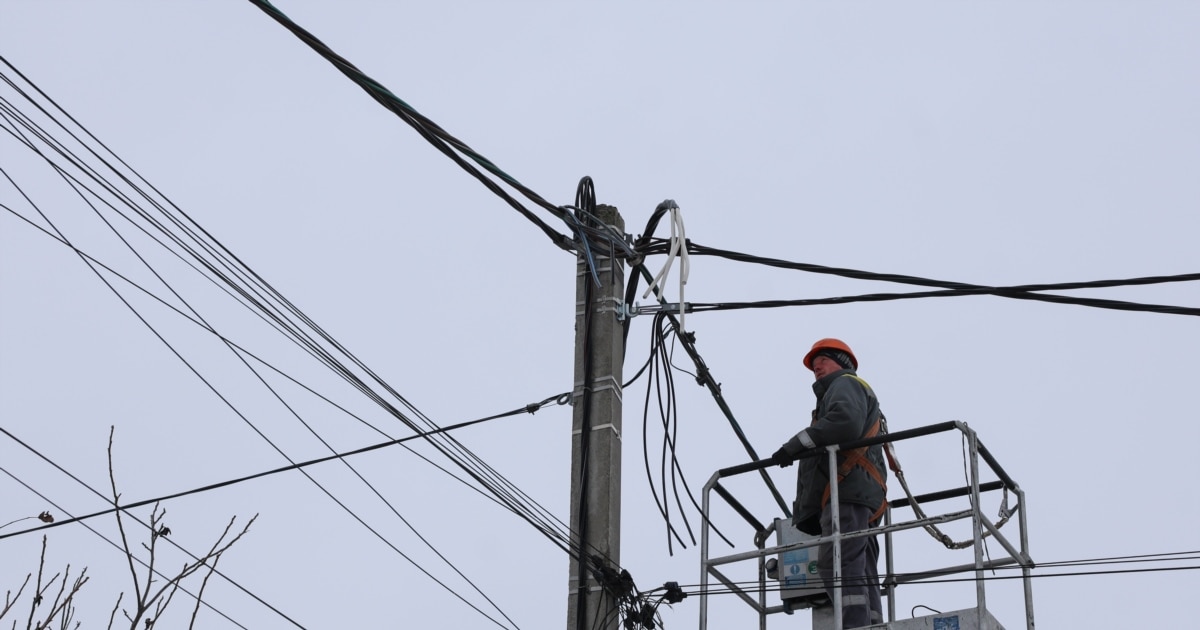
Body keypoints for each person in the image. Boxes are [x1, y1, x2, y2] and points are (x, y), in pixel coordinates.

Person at [772, 338, 887, 628]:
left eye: (822, 359)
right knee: (860, 566)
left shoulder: (845, 384)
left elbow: (844, 422)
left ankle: (854, 625)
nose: (816, 367)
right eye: (813, 365)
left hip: (846, 492)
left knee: (837, 563)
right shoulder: (847, 391)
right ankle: (871, 623)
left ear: (841, 362)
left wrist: (795, 445)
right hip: (859, 492)